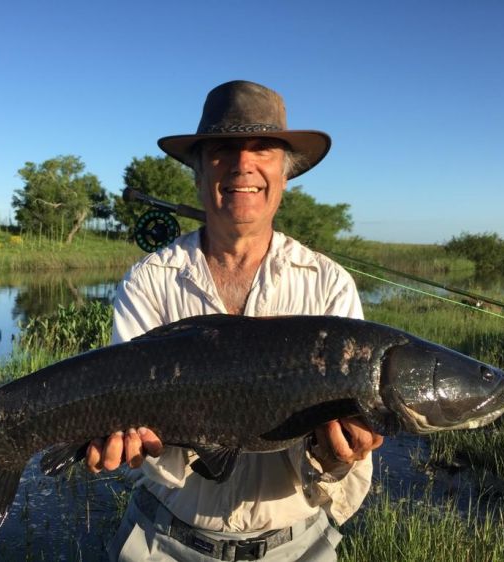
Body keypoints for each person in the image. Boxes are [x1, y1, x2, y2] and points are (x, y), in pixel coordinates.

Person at [87, 80, 384, 561]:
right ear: (199, 174)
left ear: (285, 175)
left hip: (297, 547)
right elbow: (134, 442)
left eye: (263, 148)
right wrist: (129, 443)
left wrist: (337, 458)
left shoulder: (329, 285)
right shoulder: (148, 280)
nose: (243, 163)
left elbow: (342, 466)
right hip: (161, 542)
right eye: (224, 149)